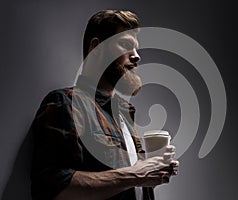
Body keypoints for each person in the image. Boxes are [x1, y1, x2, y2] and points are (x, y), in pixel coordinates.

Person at [30, 10, 179, 200]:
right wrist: (136, 175)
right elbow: (50, 188)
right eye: (126, 45)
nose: (137, 57)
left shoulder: (124, 113)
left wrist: (153, 169)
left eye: (137, 49)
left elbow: (128, 185)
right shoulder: (66, 103)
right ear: (96, 47)